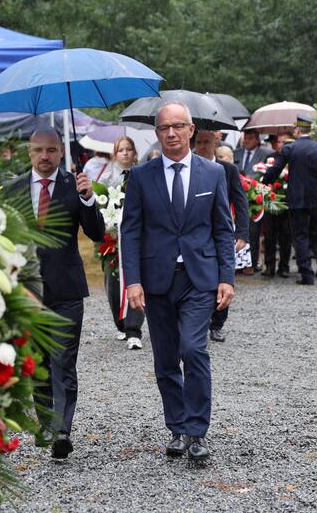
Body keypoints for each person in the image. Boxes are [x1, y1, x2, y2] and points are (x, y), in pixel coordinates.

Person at [121, 103, 235, 462]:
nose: (171, 133)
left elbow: (222, 228)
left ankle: (198, 430)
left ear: (190, 130)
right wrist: (133, 281)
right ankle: (178, 427)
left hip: (199, 279)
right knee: (166, 359)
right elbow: (131, 231)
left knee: (193, 349)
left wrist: (227, 278)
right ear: (156, 133)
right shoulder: (141, 176)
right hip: (157, 281)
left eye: (178, 126)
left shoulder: (212, 174)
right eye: (164, 128)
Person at [6, 127, 105, 460]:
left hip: (66, 288)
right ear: (29, 152)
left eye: (51, 150)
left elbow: (96, 233)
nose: (44, 156)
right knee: (38, 363)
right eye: (38, 150)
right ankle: (46, 422)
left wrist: (88, 199)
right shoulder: (14, 189)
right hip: (28, 289)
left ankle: (62, 429)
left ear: (61, 152)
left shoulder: (72, 185)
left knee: (64, 359)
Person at [262, 115, 317, 285]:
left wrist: (263, 183)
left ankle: (307, 274)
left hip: (297, 198)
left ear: (297, 130)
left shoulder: (290, 148)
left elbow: (276, 169)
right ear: (310, 130)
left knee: (300, 235)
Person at [194, 130, 249, 343]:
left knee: (223, 277)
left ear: (215, 143)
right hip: (198, 232)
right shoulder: (190, 169)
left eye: (206, 142)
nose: (202, 146)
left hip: (222, 232)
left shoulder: (227, 170)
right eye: (198, 142)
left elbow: (240, 201)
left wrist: (242, 233)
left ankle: (217, 324)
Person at [100, 136, 146, 350]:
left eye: (129, 149)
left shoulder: (142, 175)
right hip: (112, 237)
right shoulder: (106, 177)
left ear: (135, 153)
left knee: (136, 278)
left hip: (137, 237)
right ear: (115, 153)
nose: (126, 153)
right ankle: (120, 323)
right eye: (121, 150)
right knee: (112, 279)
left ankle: (134, 328)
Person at [234, 129, 273, 274]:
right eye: (245, 138)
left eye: (250, 138)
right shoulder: (236, 153)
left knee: (254, 231)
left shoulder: (266, 153)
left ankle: (253, 261)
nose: (246, 141)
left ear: (257, 139)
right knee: (237, 230)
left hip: (256, 198)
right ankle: (239, 262)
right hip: (237, 195)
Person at [262, 132, 293, 278]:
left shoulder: (293, 157)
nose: (282, 144)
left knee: (286, 236)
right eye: (280, 141)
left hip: (287, 202)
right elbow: (263, 176)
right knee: (269, 235)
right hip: (271, 201)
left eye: (285, 142)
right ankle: (269, 265)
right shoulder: (270, 158)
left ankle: (284, 266)